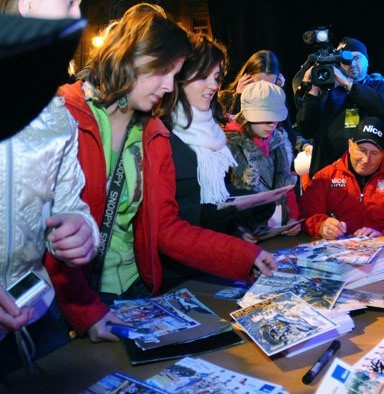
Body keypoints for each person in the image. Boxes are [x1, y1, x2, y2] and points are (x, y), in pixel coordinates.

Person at [45, 3, 277, 344]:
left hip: (137, 293)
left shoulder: (154, 134)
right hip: (69, 306)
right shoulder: (64, 116)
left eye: (176, 73)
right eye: (163, 71)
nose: (169, 86)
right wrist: (85, 311)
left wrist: (246, 256)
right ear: (132, 57)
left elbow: (166, 229)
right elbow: (46, 234)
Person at [0, 0, 99, 376]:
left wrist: (81, 230)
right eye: (70, 2)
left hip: (38, 315)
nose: (78, 15)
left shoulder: (58, 115)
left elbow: (72, 203)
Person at [162, 34, 273, 241]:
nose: (213, 85)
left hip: (217, 252)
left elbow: (221, 193)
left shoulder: (214, 129)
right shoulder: (161, 132)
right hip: (181, 264)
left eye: (216, 77)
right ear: (180, 76)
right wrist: (211, 217)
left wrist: (253, 204)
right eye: (204, 76)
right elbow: (163, 214)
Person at [300, 117, 384, 240]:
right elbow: (304, 215)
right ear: (350, 145)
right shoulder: (325, 177)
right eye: (361, 150)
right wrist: (320, 226)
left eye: (374, 153)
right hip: (336, 252)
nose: (366, 159)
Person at [296, 36, 384, 178]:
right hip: (330, 173)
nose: (351, 64)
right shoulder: (327, 91)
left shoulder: (380, 87)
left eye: (356, 58)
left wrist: (348, 85)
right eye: (345, 61)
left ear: (367, 61)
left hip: (370, 171)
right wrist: (312, 90)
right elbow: (306, 128)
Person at [224, 80, 301, 239]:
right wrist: (238, 231)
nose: (272, 124)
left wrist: (292, 219)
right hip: (243, 233)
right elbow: (223, 198)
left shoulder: (279, 141)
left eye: (275, 117)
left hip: (277, 230)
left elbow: (286, 185)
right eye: (265, 117)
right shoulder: (228, 145)